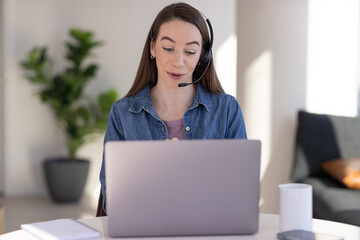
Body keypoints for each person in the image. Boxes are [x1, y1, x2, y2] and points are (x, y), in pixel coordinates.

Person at [99, 2, 247, 214]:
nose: (178, 62)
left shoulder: (227, 110)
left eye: (190, 51)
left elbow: (241, 194)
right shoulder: (122, 114)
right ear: (152, 47)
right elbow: (111, 203)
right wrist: (158, 173)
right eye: (168, 49)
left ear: (203, 56)